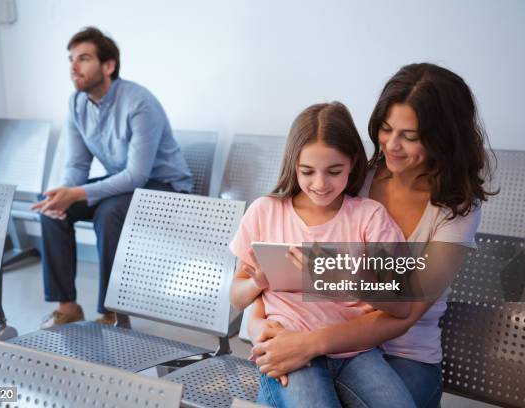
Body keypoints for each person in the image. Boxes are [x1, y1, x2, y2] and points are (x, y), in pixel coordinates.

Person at [248, 63, 494, 408]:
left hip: (405, 352)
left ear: (443, 138)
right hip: (317, 332)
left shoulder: (456, 209)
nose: (392, 145)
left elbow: (405, 314)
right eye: (386, 129)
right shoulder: (351, 178)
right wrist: (259, 322)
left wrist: (311, 342)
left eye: (409, 136)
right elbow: (273, 262)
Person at [229, 102, 418, 408]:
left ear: (353, 163)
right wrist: (257, 283)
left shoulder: (370, 216)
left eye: (334, 171)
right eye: (307, 172)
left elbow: (401, 306)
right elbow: (236, 296)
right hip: (286, 343)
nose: (319, 184)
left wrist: (343, 277)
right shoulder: (265, 211)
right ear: (293, 165)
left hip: (356, 351)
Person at [32, 27, 193, 328]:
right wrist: (65, 193)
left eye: (84, 58)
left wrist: (77, 193)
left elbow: (137, 175)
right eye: (71, 59)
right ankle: (67, 306)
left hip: (166, 186)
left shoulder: (139, 103)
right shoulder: (77, 104)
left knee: (109, 213)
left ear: (109, 66)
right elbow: (78, 164)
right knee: (51, 207)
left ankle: (113, 313)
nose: (73, 67)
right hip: (125, 182)